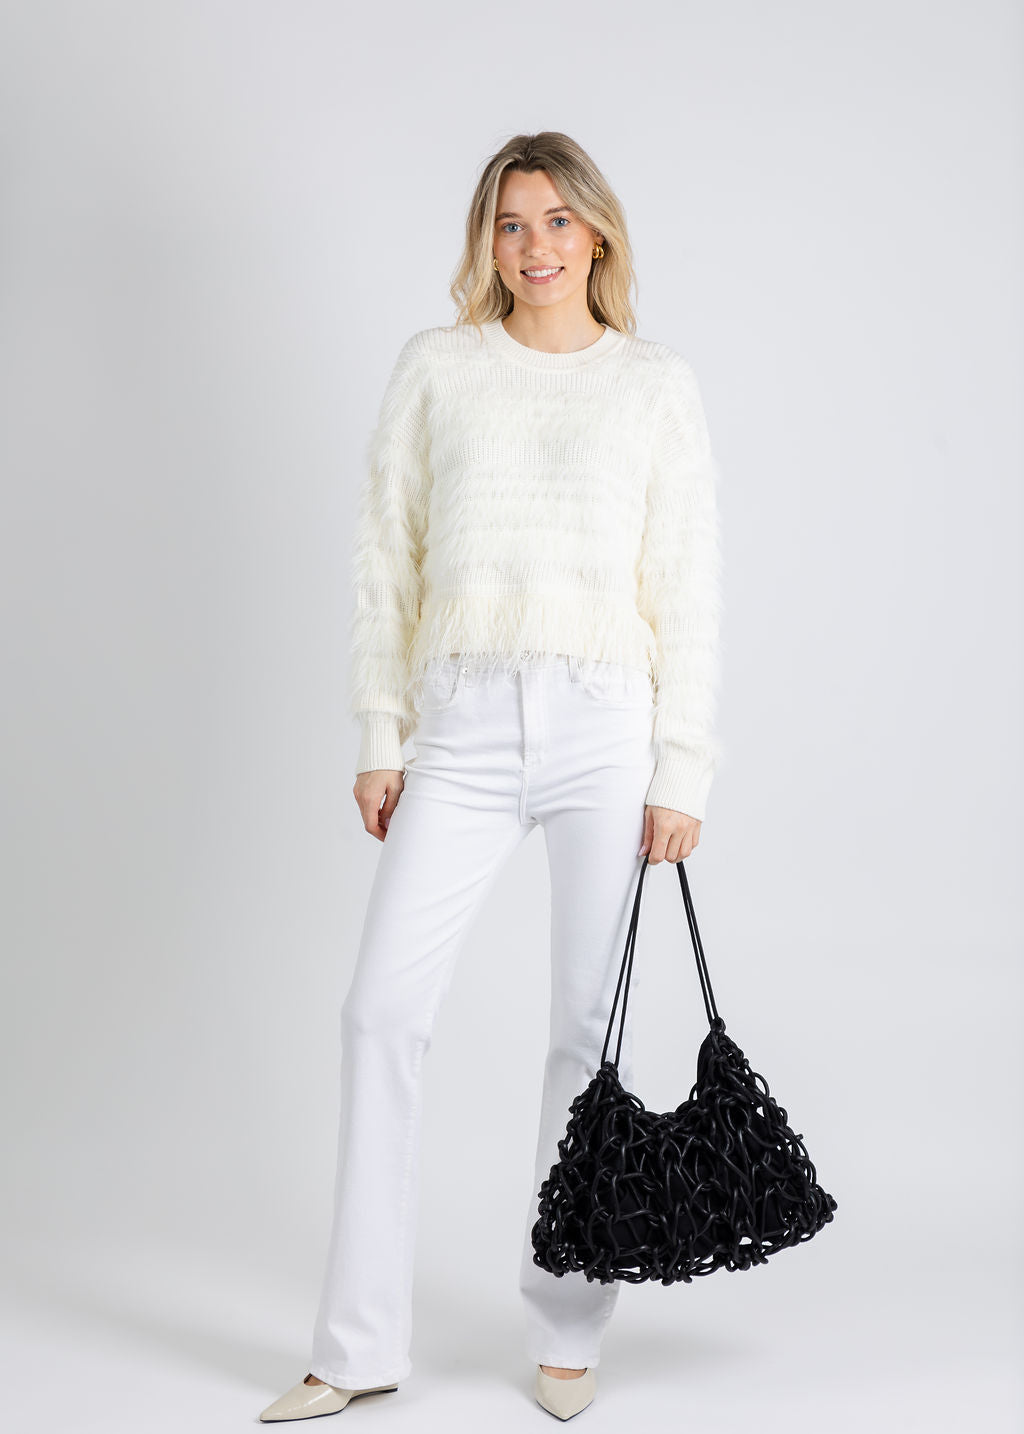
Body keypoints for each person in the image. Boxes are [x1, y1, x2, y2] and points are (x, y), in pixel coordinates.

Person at [259, 130, 724, 1424]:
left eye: (556, 221)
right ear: (487, 240)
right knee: (379, 1012)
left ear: (597, 233)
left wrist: (682, 765)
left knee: (585, 1029)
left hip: (604, 727)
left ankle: (567, 1325)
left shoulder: (654, 384)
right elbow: (385, 555)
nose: (534, 247)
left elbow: (686, 581)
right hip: (461, 722)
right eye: (511, 224)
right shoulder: (439, 368)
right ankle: (357, 1344)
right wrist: (381, 733)